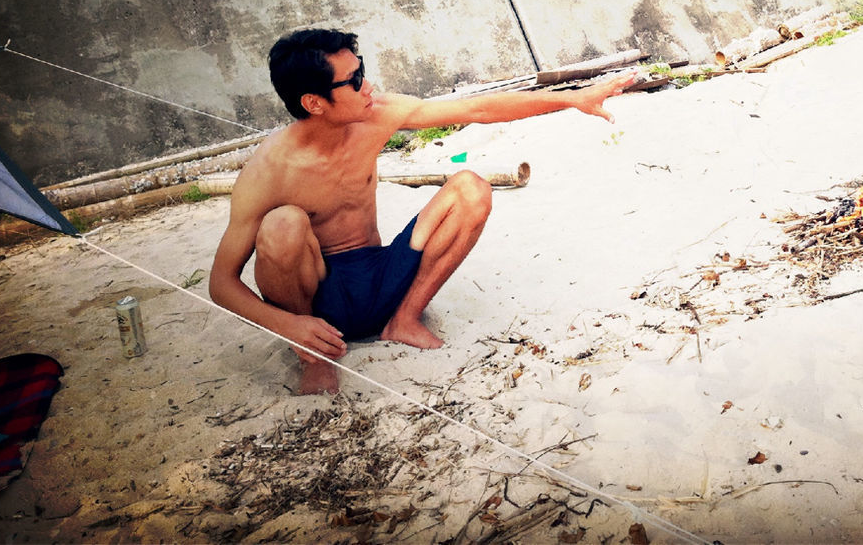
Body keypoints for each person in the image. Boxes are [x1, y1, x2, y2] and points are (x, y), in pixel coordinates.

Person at [210, 28, 635, 394]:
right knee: (283, 224)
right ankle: (314, 357)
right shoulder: (269, 171)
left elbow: (478, 109)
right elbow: (221, 283)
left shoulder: (374, 116)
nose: (368, 86)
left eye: (362, 70)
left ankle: (405, 318)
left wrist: (574, 99)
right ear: (314, 102)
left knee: (470, 187)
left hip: (383, 276)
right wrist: (287, 326)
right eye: (353, 80)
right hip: (317, 302)